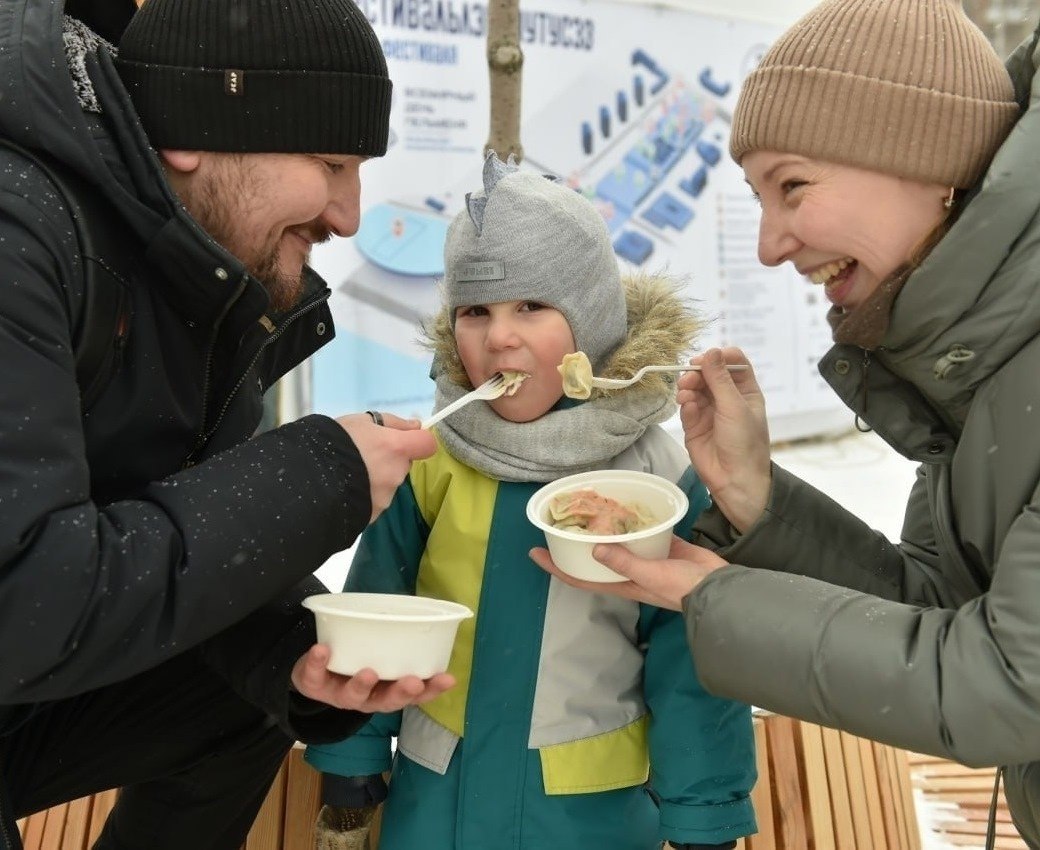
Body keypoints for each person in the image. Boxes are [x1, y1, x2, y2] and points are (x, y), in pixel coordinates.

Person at [531, 0, 1040, 846]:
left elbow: (1009, 682)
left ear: (928, 157)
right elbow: (939, 610)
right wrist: (760, 500)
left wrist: (711, 596)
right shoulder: (976, 371)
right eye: (758, 199)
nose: (770, 245)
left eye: (793, 186)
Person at [0, 0, 456, 847]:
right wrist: (315, 475)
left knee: (246, 695)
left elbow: (161, 509)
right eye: (330, 162)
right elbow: (21, 598)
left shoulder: (193, 268)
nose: (349, 215)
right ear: (194, 132)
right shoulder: (18, 226)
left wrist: (293, 654)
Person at [303, 154, 758, 850]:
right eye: (475, 312)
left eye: (532, 307)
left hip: (583, 813)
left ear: (592, 320)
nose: (498, 337)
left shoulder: (658, 479)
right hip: (438, 797)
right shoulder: (433, 458)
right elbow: (379, 607)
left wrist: (703, 813)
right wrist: (352, 755)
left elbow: (692, 656)